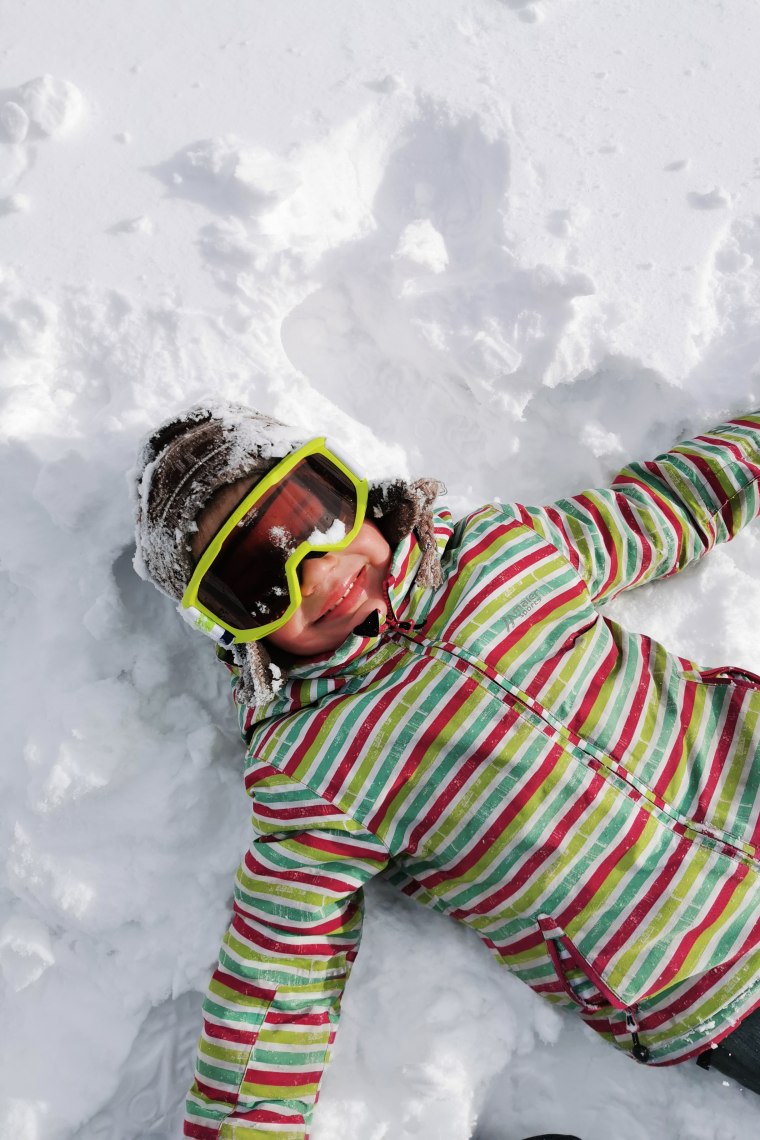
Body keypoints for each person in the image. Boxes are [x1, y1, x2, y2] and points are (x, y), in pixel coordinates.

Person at [133, 401, 760, 1140]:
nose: (315, 571)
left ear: (352, 489)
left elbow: (661, 509)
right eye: (256, 578)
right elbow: (277, 975)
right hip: (702, 980)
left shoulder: (502, 555)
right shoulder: (310, 764)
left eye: (312, 517)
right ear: (232, 625)